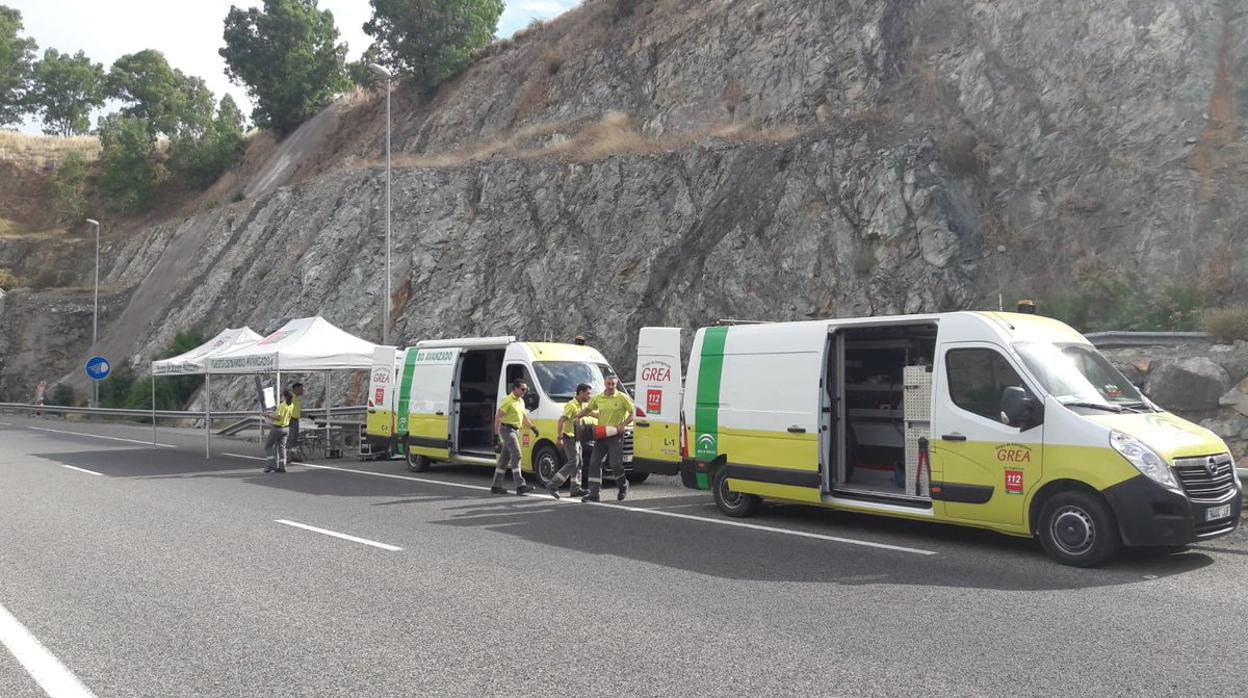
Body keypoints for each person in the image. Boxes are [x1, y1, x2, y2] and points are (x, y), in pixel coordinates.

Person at [577, 374, 634, 502]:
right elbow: (588, 410)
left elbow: (633, 413)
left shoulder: (622, 398)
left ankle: (623, 485)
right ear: (604, 384)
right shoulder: (599, 398)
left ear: (616, 384)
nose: (611, 386)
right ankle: (594, 494)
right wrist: (577, 417)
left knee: (615, 464)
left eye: (613, 384)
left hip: (616, 436)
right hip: (601, 435)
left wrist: (623, 424)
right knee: (594, 463)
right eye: (608, 384)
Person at [546, 383, 595, 499]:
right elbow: (561, 421)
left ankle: (575, 489)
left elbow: (590, 413)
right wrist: (559, 438)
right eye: (588, 393)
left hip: (577, 438)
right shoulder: (571, 405)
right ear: (581, 393)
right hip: (569, 438)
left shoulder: (582, 405)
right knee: (573, 462)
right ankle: (553, 484)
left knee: (579, 463)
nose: (590, 396)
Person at [491, 379, 538, 495]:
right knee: (517, 454)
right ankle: (520, 485)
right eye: (522, 389)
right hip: (507, 430)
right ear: (515, 388)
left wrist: (532, 427)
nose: (525, 391)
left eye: (526, 389)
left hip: (515, 431)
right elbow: (498, 417)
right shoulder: (508, 400)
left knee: (504, 460)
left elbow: (524, 417)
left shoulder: (521, 401)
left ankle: (496, 486)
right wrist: (496, 435)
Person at [264, 389, 295, 473]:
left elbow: (279, 418)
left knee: (268, 446)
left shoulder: (282, 405)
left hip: (278, 428)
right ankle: (282, 466)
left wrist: (268, 415)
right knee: (282, 447)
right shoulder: (291, 405)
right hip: (286, 428)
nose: (281, 397)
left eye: (282, 395)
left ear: (284, 396)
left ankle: (271, 465)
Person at [288, 382, 305, 459]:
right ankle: (287, 456)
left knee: (295, 438)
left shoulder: (298, 398)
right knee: (290, 438)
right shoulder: (290, 397)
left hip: (296, 420)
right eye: (301, 388)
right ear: (296, 389)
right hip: (291, 420)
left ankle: (293, 455)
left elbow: (298, 411)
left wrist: (308, 416)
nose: (302, 390)